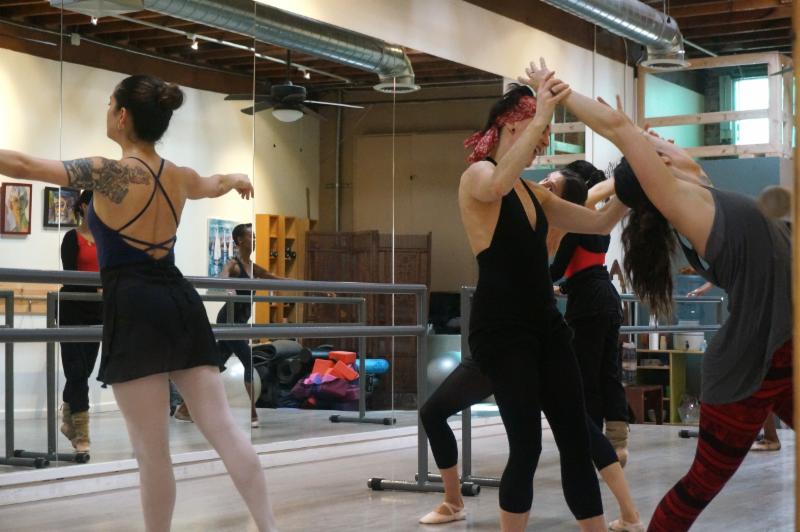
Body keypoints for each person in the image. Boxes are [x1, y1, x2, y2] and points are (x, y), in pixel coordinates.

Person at [520, 57, 792, 532]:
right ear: (658, 169)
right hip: (755, 363)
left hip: (781, 346)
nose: (667, 143)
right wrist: (556, 89)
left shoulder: (702, 191)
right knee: (697, 488)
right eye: (661, 147)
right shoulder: (684, 204)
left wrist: (636, 135)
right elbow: (617, 130)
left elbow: (635, 140)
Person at [0, 75, 278, 531]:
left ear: (122, 116)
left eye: (109, 104)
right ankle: (269, 526)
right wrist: (237, 179)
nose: (108, 111)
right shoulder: (179, 176)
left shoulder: (105, 173)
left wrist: (232, 179)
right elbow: (213, 183)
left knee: (153, 454)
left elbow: (26, 164)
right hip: (180, 301)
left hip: (133, 307)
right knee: (226, 430)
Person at [421, 78, 630, 532]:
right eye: (539, 132)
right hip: (502, 330)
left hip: (546, 326)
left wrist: (633, 184)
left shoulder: (534, 194)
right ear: (510, 125)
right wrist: (542, 113)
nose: (543, 145)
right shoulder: (478, 175)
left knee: (575, 439)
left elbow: (598, 222)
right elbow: (497, 183)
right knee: (528, 446)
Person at [542, 162, 630, 466]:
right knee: (609, 373)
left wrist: (533, 275)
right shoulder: (599, 226)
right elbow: (588, 268)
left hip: (588, 305)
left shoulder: (573, 225)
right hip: (607, 298)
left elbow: (557, 269)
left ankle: (591, 443)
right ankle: (618, 442)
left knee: (586, 376)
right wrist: (565, 288)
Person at [175, 222, 285, 428]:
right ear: (239, 240)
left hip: (240, 321)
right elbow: (222, 276)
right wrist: (228, 287)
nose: (254, 240)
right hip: (229, 319)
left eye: (255, 237)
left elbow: (277, 279)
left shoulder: (253, 268)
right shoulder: (234, 264)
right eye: (250, 236)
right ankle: (252, 414)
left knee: (214, 366)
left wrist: (316, 289)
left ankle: (184, 408)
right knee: (248, 360)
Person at [58, 190, 102, 454]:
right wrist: (96, 288)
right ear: (84, 207)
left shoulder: (106, 240)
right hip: (73, 309)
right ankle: (82, 433)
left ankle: (66, 417)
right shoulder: (71, 238)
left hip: (97, 311)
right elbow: (70, 275)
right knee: (76, 371)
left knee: (83, 371)